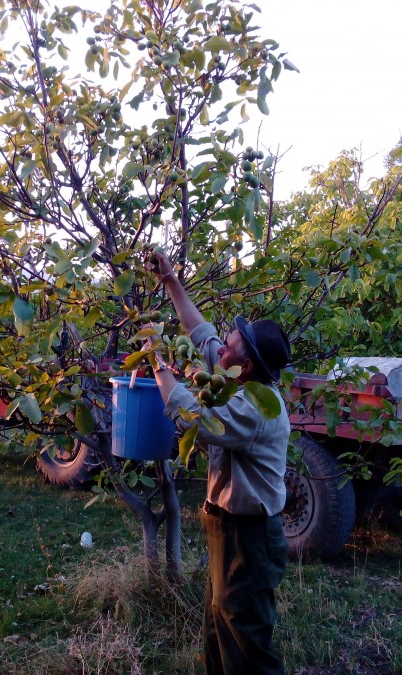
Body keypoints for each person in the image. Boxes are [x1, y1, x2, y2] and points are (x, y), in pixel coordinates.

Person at [146, 250, 292, 675]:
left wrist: (156, 361)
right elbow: (200, 331)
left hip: (248, 537)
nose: (221, 345)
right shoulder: (234, 377)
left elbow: (193, 416)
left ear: (243, 365)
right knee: (218, 630)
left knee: (246, 642)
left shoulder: (257, 408)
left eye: (230, 345)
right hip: (225, 527)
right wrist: (171, 279)